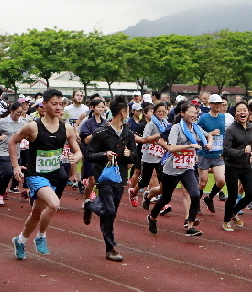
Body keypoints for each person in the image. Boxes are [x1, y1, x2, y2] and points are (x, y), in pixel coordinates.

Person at [9, 89, 82, 260]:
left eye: (61, 104)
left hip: (53, 175)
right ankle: (41, 236)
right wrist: (16, 166)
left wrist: (74, 157)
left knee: (36, 213)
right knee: (54, 204)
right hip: (35, 175)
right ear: (44, 105)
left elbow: (78, 152)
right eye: (54, 104)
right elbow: (13, 141)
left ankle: (20, 240)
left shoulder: (66, 128)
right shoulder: (33, 127)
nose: (58, 107)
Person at [147, 102, 212, 237]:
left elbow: (209, 135)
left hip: (187, 168)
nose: (194, 115)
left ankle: (190, 224)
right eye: (192, 112)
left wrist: (209, 144)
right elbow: (171, 147)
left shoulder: (196, 128)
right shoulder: (176, 128)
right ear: (182, 113)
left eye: (196, 113)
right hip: (171, 169)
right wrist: (190, 146)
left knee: (195, 194)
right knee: (165, 198)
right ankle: (152, 216)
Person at [85, 95, 137, 261]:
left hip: (120, 178)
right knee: (110, 211)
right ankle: (111, 248)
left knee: (110, 213)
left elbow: (135, 157)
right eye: (127, 110)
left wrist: (130, 155)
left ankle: (91, 205)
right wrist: (103, 155)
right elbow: (89, 154)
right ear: (123, 112)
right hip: (104, 177)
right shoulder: (100, 132)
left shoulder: (128, 133)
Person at [220, 102, 252, 231]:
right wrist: (242, 152)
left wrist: (251, 153)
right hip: (232, 166)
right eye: (239, 111)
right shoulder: (231, 129)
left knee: (251, 194)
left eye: (244, 110)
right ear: (235, 114)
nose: (242, 113)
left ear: (248, 112)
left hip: (246, 166)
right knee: (232, 195)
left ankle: (233, 212)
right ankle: (226, 220)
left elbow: (250, 145)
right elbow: (225, 150)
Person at [197, 94, 227, 215]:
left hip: (217, 155)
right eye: (215, 103)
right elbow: (196, 131)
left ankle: (209, 198)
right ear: (210, 104)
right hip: (204, 154)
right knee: (203, 182)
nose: (218, 106)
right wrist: (209, 134)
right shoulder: (204, 117)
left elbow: (224, 134)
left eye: (220, 103)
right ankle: (195, 203)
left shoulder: (223, 117)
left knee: (221, 181)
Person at [137, 102, 170, 211]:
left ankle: (161, 203)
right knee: (144, 181)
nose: (161, 113)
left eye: (163, 111)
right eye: (159, 111)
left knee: (163, 182)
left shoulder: (166, 124)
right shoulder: (151, 124)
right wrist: (158, 136)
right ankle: (133, 192)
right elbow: (144, 139)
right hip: (149, 156)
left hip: (161, 156)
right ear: (154, 112)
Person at [0, 102, 27, 204]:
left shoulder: (23, 123)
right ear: (11, 111)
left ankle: (1, 186)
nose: (19, 115)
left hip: (16, 152)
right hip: (3, 151)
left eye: (21, 113)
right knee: (8, 172)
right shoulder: (2, 122)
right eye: (17, 112)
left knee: (14, 174)